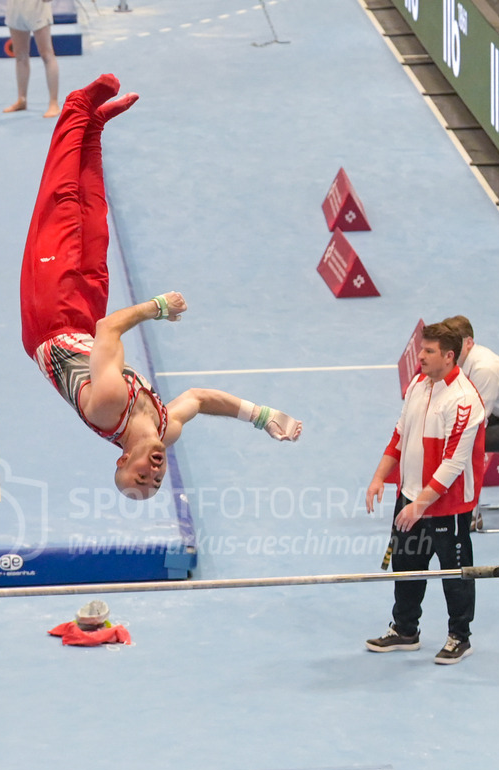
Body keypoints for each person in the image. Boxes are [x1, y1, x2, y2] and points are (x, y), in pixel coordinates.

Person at [20, 74, 302, 501]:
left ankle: (76, 108)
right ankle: (93, 129)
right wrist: (261, 416)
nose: (153, 474)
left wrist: (157, 306)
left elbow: (110, 330)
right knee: (94, 218)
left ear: (121, 461)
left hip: (49, 321)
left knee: (60, 206)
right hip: (85, 320)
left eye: (140, 478)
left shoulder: (108, 406)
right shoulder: (165, 428)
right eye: (156, 483)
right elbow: (200, 399)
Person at [365, 321, 485, 664]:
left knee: (455, 574)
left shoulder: (464, 400)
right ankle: (405, 630)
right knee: (405, 565)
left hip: (448, 506)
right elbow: (399, 436)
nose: (420, 356)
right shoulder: (419, 384)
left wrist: (419, 504)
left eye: (429, 351)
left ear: (449, 356)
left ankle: (459, 636)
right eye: (421, 349)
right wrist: (379, 478)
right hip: (411, 497)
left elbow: (453, 464)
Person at [443, 315, 499, 452]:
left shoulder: (484, 369)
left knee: (467, 442)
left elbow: (476, 420)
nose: (448, 350)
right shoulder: (464, 360)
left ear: (469, 343)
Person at [4, 0, 60, 119]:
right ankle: (22, 99)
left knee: (47, 54)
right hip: (15, 8)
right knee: (20, 55)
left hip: (37, 8)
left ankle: (53, 103)